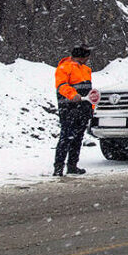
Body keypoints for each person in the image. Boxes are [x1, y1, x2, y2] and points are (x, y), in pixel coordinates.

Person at [53, 44, 94, 176]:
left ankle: (72, 166)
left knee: (77, 138)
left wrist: (91, 107)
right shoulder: (64, 68)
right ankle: (58, 168)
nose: (88, 59)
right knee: (66, 137)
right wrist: (72, 95)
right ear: (82, 57)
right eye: (87, 56)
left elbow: (88, 91)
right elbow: (61, 85)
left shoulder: (87, 70)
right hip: (69, 108)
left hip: (83, 108)